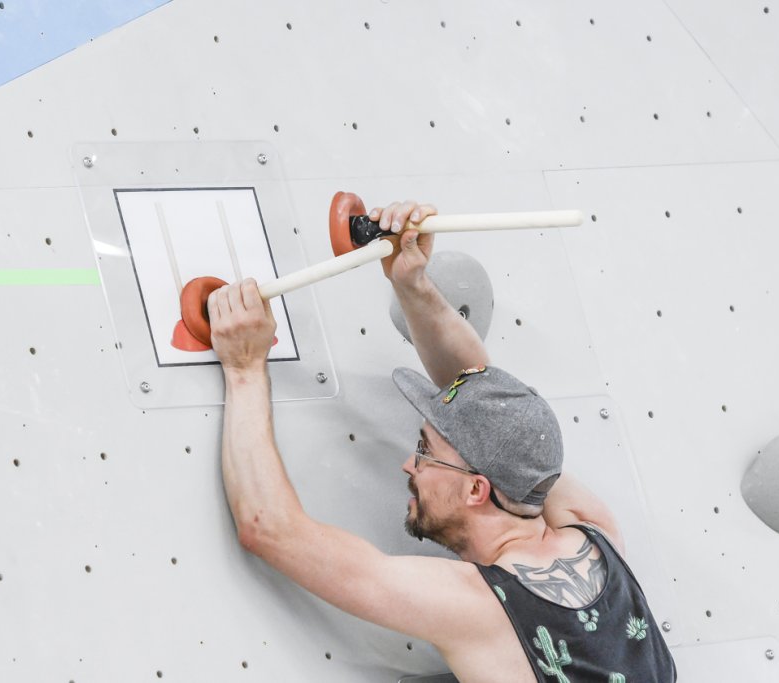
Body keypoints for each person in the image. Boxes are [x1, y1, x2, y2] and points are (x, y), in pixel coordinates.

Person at [208, 200, 677, 682]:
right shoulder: (592, 533)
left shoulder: (476, 607)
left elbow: (270, 529)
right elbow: (472, 384)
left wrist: (244, 368)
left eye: (427, 453)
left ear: (478, 489)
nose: (409, 467)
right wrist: (410, 280)